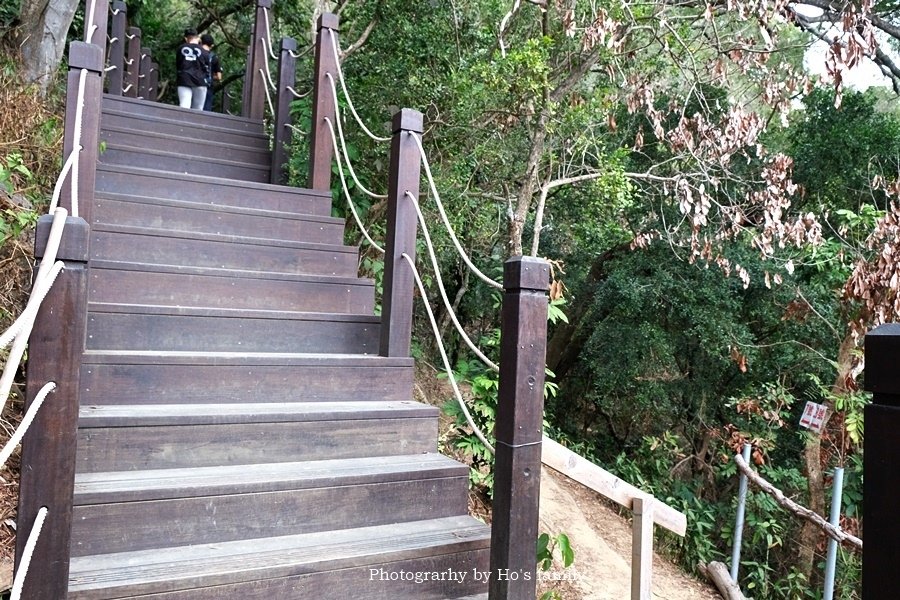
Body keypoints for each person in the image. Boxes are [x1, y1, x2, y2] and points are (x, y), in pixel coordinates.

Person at [175, 28, 208, 110]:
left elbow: (178, 64)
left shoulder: (180, 48)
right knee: (198, 109)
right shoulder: (204, 51)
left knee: (184, 105)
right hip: (200, 80)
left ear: (186, 38)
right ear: (198, 38)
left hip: (184, 78)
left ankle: (182, 122)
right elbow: (206, 67)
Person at [200, 34, 222, 112]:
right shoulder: (214, 57)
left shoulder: (197, 53)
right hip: (208, 84)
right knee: (207, 107)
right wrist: (211, 76)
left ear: (201, 42)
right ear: (211, 45)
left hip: (195, 82)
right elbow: (219, 77)